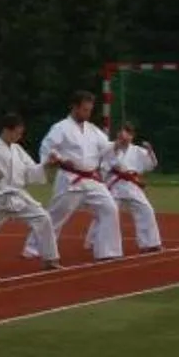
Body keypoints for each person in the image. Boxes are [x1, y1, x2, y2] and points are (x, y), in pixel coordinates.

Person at [39, 89, 124, 261]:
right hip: (70, 179)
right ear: (75, 107)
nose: (87, 113)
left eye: (90, 110)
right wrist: (58, 159)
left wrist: (118, 144)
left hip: (91, 179)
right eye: (85, 109)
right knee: (56, 215)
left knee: (109, 208)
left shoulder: (92, 130)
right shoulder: (60, 128)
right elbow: (47, 148)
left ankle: (107, 252)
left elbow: (105, 148)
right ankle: (35, 247)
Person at [0, 111, 65, 269]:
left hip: (19, 195)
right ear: (7, 130)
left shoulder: (18, 150)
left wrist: (46, 164)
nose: (19, 137)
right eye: (17, 133)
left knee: (43, 218)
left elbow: (30, 171)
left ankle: (50, 259)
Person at [104, 121, 165, 254]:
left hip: (132, 185)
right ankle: (97, 241)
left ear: (132, 136)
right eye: (122, 132)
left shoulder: (138, 150)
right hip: (115, 185)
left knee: (146, 210)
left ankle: (150, 243)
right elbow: (104, 164)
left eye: (128, 133)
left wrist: (149, 151)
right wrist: (115, 152)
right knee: (107, 211)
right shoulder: (110, 147)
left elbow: (151, 165)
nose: (124, 135)